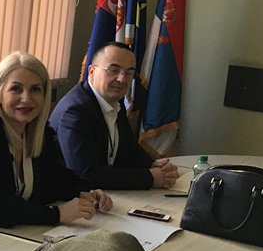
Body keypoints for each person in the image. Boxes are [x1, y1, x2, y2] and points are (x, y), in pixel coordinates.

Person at [0, 51, 112, 245]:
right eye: (16, 89)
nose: (26, 98)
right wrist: (56, 214)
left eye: (35, 89)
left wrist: (84, 192)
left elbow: (55, 177)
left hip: (10, 238)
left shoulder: (36, 132)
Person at [48, 41, 180, 190]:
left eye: (129, 72)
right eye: (113, 70)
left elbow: (129, 148)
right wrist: (149, 178)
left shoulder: (114, 101)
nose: (122, 79)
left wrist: (154, 166)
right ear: (91, 72)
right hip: (68, 197)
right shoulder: (75, 111)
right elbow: (85, 174)